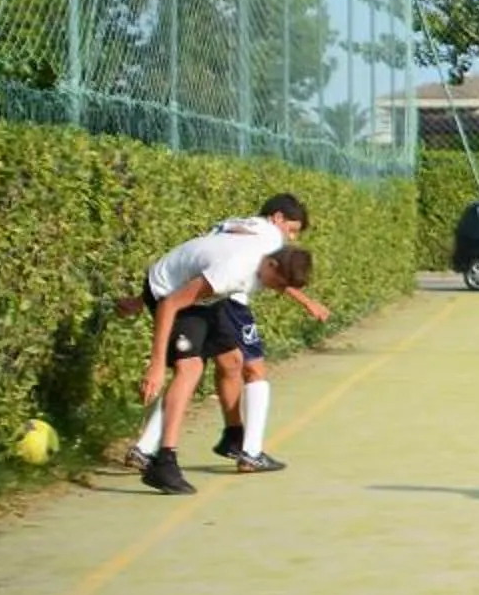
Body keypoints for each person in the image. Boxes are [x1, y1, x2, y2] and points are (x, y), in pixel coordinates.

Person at [124, 195, 327, 482]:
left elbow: (201, 253)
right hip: (173, 293)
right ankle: (160, 455)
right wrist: (155, 364)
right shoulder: (241, 266)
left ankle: (232, 441)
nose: (277, 291)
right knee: (192, 368)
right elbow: (172, 302)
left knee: (231, 360)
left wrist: (139, 299)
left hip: (204, 296)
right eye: (292, 229)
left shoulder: (262, 249)